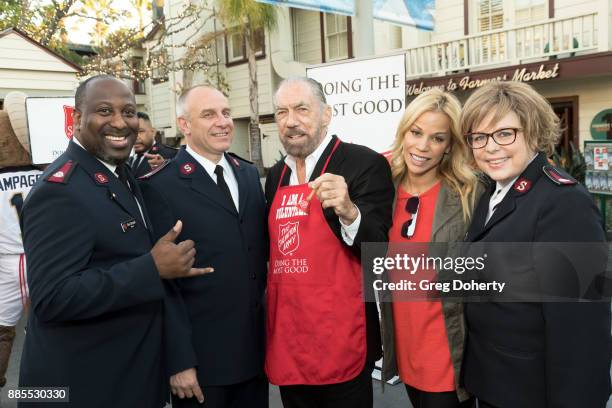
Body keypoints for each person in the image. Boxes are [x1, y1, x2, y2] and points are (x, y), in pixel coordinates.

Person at [18, 75, 210, 408]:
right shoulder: (58, 191)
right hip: (81, 386)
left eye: (129, 111)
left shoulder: (120, 174)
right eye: (104, 111)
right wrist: (151, 269)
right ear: (77, 119)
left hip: (128, 378)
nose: (120, 122)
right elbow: (51, 298)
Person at [460, 80, 611, 408]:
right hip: (493, 383)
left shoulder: (564, 202)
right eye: (479, 137)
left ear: (533, 131)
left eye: (504, 133)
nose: (490, 147)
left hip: (532, 392)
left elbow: (581, 333)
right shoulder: (491, 194)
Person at [264, 76, 394, 408]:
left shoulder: (364, 163)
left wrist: (350, 212)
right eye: (281, 112)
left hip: (343, 338)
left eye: (302, 109)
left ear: (326, 114)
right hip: (291, 339)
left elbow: (379, 251)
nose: (291, 121)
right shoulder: (275, 176)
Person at [139, 85, 268, 408]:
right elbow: (161, 285)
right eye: (208, 114)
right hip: (202, 364)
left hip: (255, 355)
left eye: (225, 112)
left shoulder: (248, 175)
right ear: (184, 125)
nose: (222, 122)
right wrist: (179, 360)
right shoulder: (160, 186)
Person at [378, 89, 479, 408]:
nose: (422, 147)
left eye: (437, 138)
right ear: (403, 133)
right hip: (405, 351)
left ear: (450, 145)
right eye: (416, 133)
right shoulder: (383, 190)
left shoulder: (469, 195)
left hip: (449, 354)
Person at [0, 92, 42, 389]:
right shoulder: (46, 169)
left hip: (9, 261)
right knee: (49, 328)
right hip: (45, 256)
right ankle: (49, 389)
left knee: (3, 331)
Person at [130, 111, 177, 177]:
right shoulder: (127, 161)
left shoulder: (171, 155)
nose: (135, 137)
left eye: (140, 131)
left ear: (153, 132)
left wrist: (166, 169)